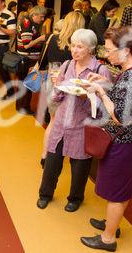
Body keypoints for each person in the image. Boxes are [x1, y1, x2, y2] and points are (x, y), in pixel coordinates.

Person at [80, 27, 132, 252]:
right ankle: (113, 223)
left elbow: (120, 116)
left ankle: (108, 238)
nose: (106, 54)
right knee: (121, 187)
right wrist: (104, 82)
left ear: (126, 50)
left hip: (125, 139)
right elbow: (124, 99)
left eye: (110, 50)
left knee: (116, 190)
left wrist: (99, 92)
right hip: (130, 139)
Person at [37, 28, 112, 212]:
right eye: (73, 45)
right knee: (52, 161)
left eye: (80, 47)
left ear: (90, 49)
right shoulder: (67, 65)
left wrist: (88, 97)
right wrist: (57, 88)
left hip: (83, 126)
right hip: (62, 122)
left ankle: (75, 198)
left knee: (80, 166)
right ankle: (45, 194)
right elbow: (56, 97)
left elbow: (105, 107)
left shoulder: (100, 71)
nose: (74, 50)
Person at [38, 12, 86, 166]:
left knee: (53, 122)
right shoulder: (80, 44)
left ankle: (45, 156)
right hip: (70, 83)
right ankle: (66, 154)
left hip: (52, 81)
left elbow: (42, 61)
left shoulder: (52, 38)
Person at [16, 6, 47, 114]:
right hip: (26, 58)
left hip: (27, 58)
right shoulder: (27, 24)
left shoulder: (31, 23)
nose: (42, 19)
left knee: (24, 84)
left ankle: (21, 107)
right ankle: (24, 108)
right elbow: (26, 45)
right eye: (41, 17)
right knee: (27, 84)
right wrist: (40, 39)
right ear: (34, 15)